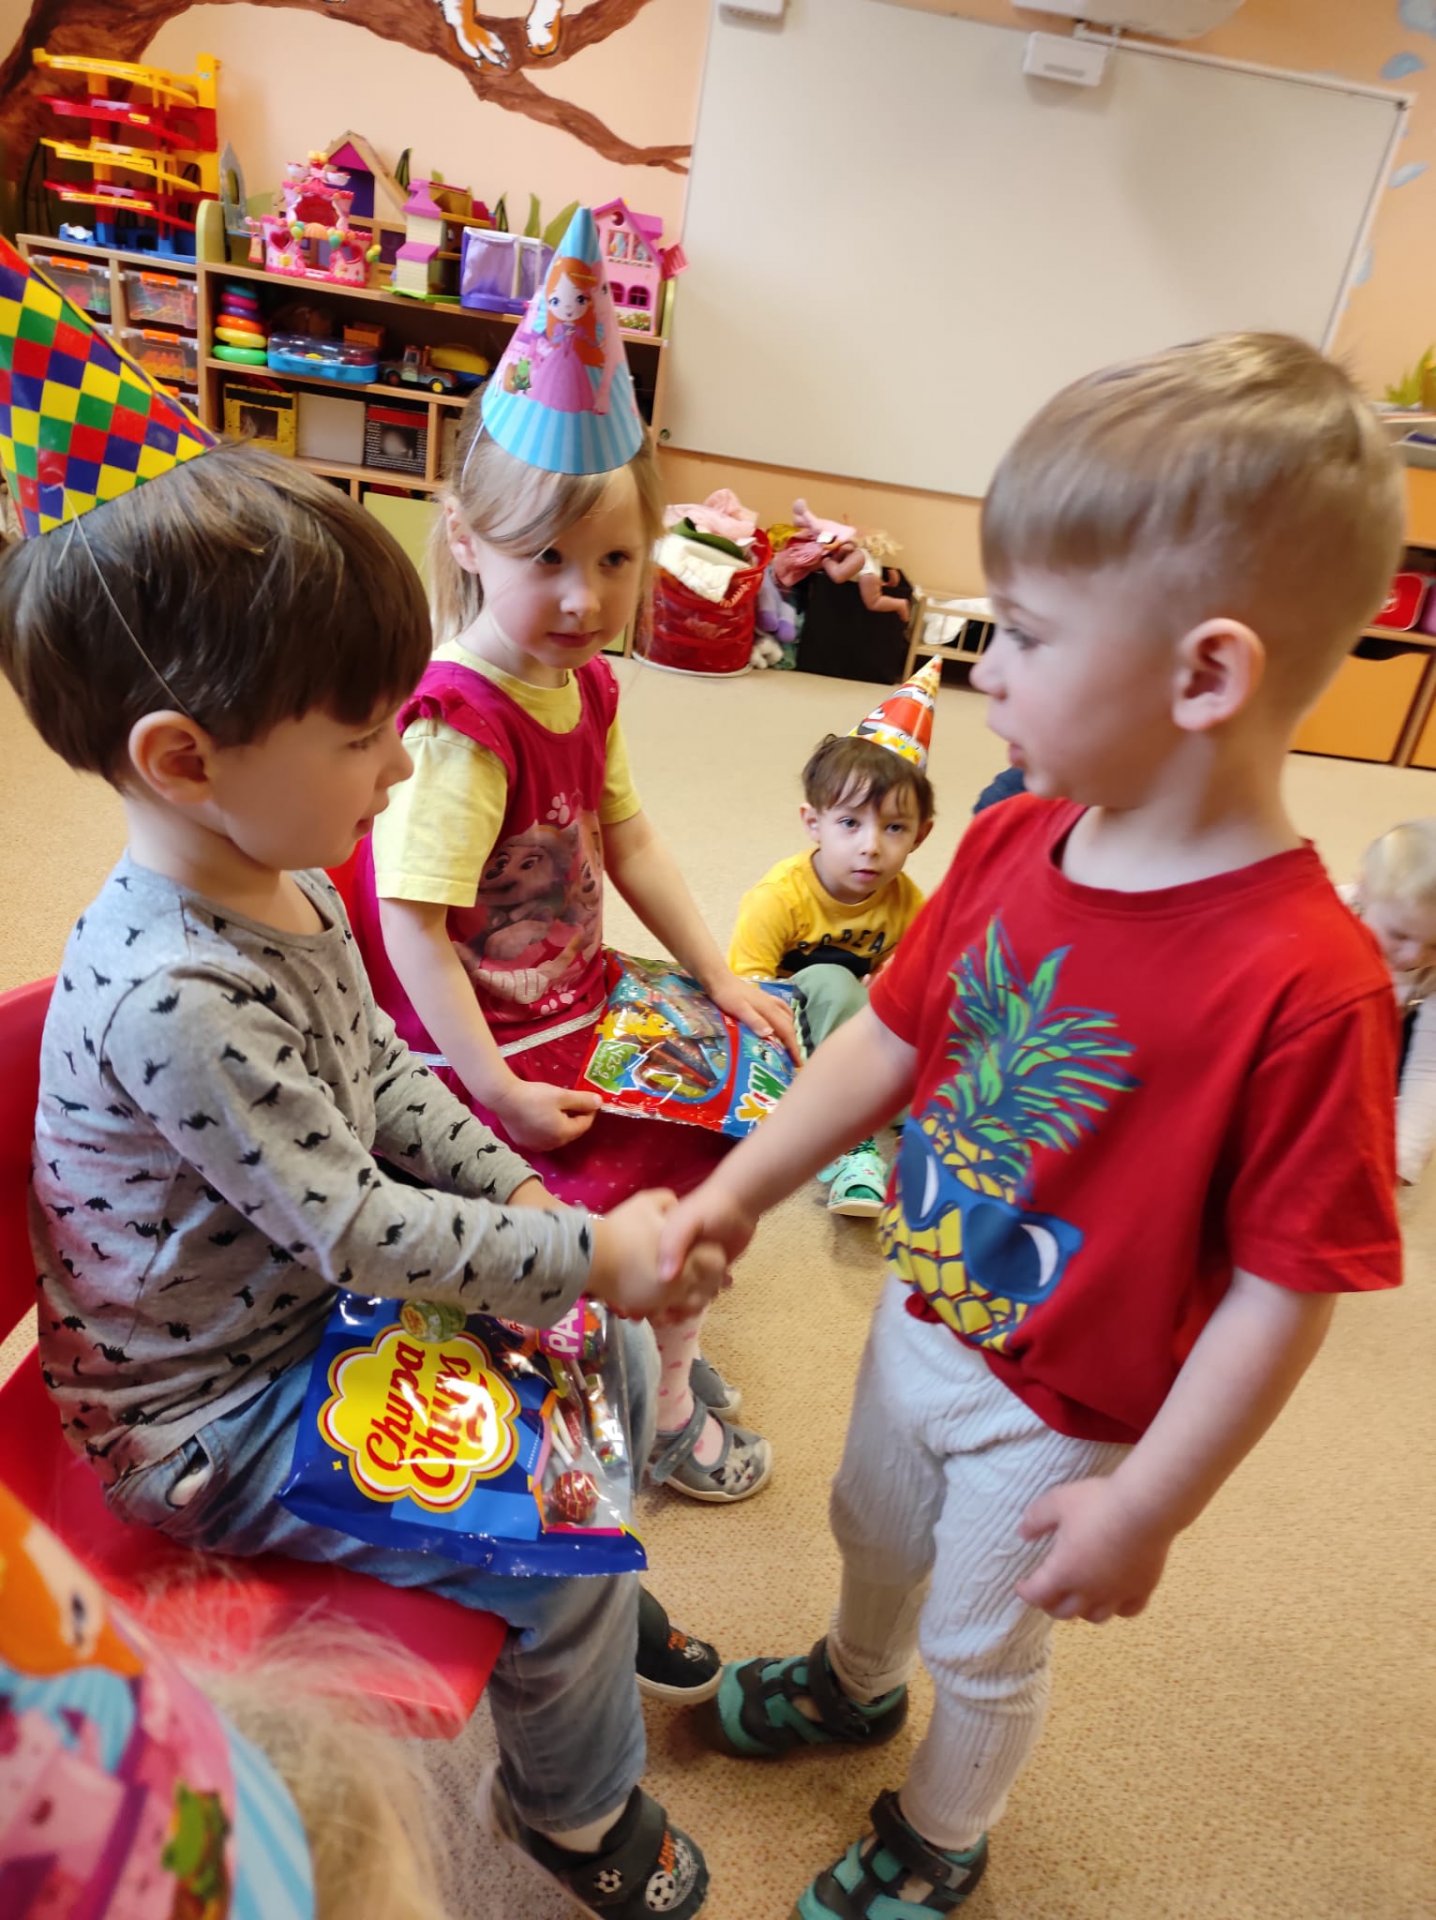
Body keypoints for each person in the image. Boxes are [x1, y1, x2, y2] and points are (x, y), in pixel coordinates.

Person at [0, 236, 722, 1919]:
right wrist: (582, 1244)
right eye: (363, 733)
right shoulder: (179, 997)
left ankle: (588, 1605)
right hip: (206, 1418)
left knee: (599, 1347)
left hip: (291, 1315)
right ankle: (576, 1808)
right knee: (558, 1548)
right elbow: (357, 1232)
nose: (406, 762)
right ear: (183, 759)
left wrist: (526, 1198)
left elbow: (384, 1069)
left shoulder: (282, 871)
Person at [657, 332, 1406, 1918]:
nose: (982, 669)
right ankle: (855, 1681)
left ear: (1205, 677)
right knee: (870, 1530)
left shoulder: (1313, 987)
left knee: (984, 1639)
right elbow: (887, 1044)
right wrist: (743, 1185)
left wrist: (1150, 1504)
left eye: (1028, 634)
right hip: (926, 1304)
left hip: (1068, 1404)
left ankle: (943, 1831)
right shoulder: (1011, 844)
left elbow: (1289, 1290)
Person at [353, 207, 795, 1507]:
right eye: (544, 558)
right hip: (473, 1044)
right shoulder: (459, 728)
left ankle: (663, 1349)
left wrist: (715, 974)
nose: (584, 598)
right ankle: (651, 1402)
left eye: (614, 560)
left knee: (736, 1120)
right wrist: (492, 1090)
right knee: (622, 1197)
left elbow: (630, 836)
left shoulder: (584, 684)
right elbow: (408, 927)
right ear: (464, 538)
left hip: (573, 1001)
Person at [728, 664, 938, 1214]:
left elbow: (915, 983)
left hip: (860, 1036)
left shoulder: (909, 902)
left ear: (921, 835)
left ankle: (908, 1120)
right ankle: (848, 1143)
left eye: (894, 827)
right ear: (813, 822)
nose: (871, 846)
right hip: (786, 1034)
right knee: (828, 978)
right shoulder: (779, 896)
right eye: (850, 823)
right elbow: (746, 991)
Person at [1346, 819, 1436, 1184]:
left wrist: (1398, 1164)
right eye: (1399, 935)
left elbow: (1429, 1068)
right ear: (1364, 891)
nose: (1415, 956)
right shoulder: (1322, 916)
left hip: (1382, 1041)